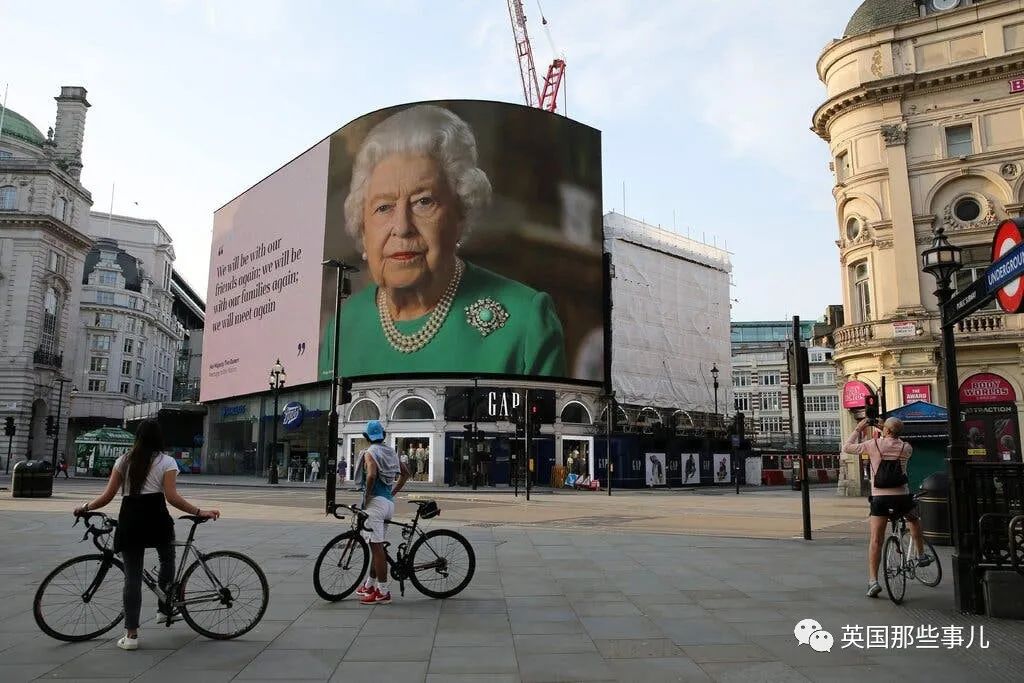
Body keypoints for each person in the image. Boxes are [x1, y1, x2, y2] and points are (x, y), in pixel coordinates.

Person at [318, 104, 567, 380]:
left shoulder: (526, 320)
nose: (402, 228)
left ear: (460, 213)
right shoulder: (341, 330)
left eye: (424, 202)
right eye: (384, 207)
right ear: (363, 229)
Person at [72, 420, 219, 650]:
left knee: (132, 577)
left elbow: (108, 496)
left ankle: (131, 636)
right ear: (159, 438)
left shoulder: (123, 460)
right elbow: (171, 497)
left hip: (130, 519)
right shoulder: (166, 461)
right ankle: (164, 608)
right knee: (167, 558)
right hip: (157, 518)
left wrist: (85, 507)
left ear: (137, 438)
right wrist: (200, 511)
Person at [842, 417, 931, 598]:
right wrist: (888, 428)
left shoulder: (873, 444)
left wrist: (859, 428)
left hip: (880, 498)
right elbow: (893, 435)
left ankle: (873, 582)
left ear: (886, 430)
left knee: (876, 539)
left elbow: (847, 447)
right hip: (901, 497)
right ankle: (921, 555)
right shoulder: (906, 448)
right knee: (914, 520)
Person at [353, 420, 410, 605]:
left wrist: (367, 497)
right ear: (383, 435)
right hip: (388, 504)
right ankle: (370, 585)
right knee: (376, 546)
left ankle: (383, 591)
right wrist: (393, 492)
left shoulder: (370, 452)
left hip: (375, 504)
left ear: (367, 437)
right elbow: (406, 473)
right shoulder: (391, 452)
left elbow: (371, 475)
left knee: (377, 549)